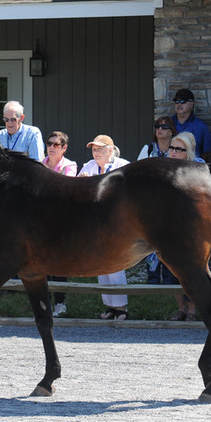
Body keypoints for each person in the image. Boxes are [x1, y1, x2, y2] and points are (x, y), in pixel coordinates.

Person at [78, 135, 130, 320]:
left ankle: (122, 307)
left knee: (115, 264)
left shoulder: (123, 165)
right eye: (93, 149)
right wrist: (83, 182)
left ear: (110, 150)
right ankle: (110, 306)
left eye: (99, 149)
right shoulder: (89, 166)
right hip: (95, 223)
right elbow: (77, 190)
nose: (95, 152)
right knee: (101, 265)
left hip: (116, 221)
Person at [158, 132, 204, 320]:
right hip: (166, 224)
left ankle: (193, 309)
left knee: (191, 268)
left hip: (189, 224)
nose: (174, 152)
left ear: (188, 152)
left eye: (179, 149)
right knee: (169, 268)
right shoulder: (162, 168)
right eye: (172, 148)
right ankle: (181, 307)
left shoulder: (197, 167)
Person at [42, 131, 78, 316]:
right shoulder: (39, 165)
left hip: (61, 221)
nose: (51, 147)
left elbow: (66, 189)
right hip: (41, 221)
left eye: (56, 144)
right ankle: (44, 303)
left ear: (64, 148)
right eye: (49, 143)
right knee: (42, 263)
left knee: (58, 263)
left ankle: (60, 303)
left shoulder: (70, 165)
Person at [170, 88, 211, 159]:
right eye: (177, 101)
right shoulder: (167, 123)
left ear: (191, 104)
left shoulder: (201, 126)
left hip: (193, 166)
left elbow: (207, 152)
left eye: (183, 101)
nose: (179, 104)